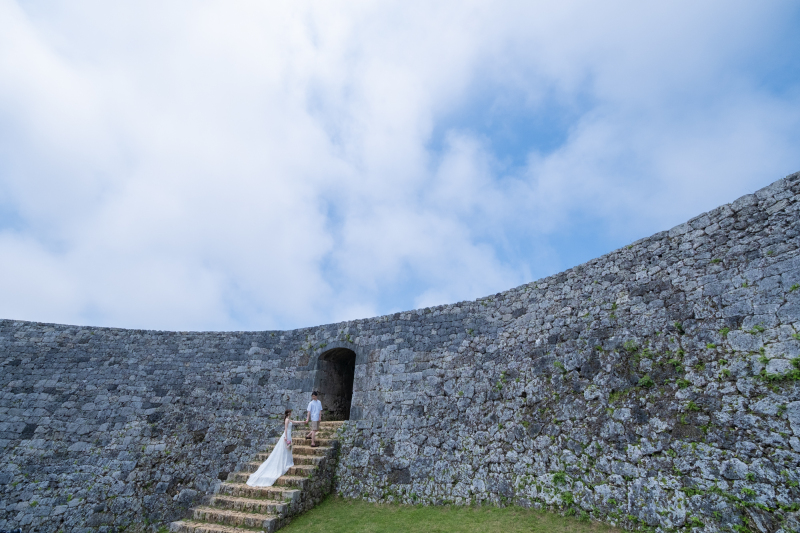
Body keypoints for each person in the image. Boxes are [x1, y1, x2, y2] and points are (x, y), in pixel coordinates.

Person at [246, 409, 306, 487]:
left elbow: (295, 422)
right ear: (288, 413)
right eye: (290, 412)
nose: (291, 413)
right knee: (285, 449)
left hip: (289, 436)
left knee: (287, 449)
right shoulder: (287, 420)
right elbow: (285, 429)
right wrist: (286, 437)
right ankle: (284, 462)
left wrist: (303, 422)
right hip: (286, 436)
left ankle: (287, 461)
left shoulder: (289, 419)